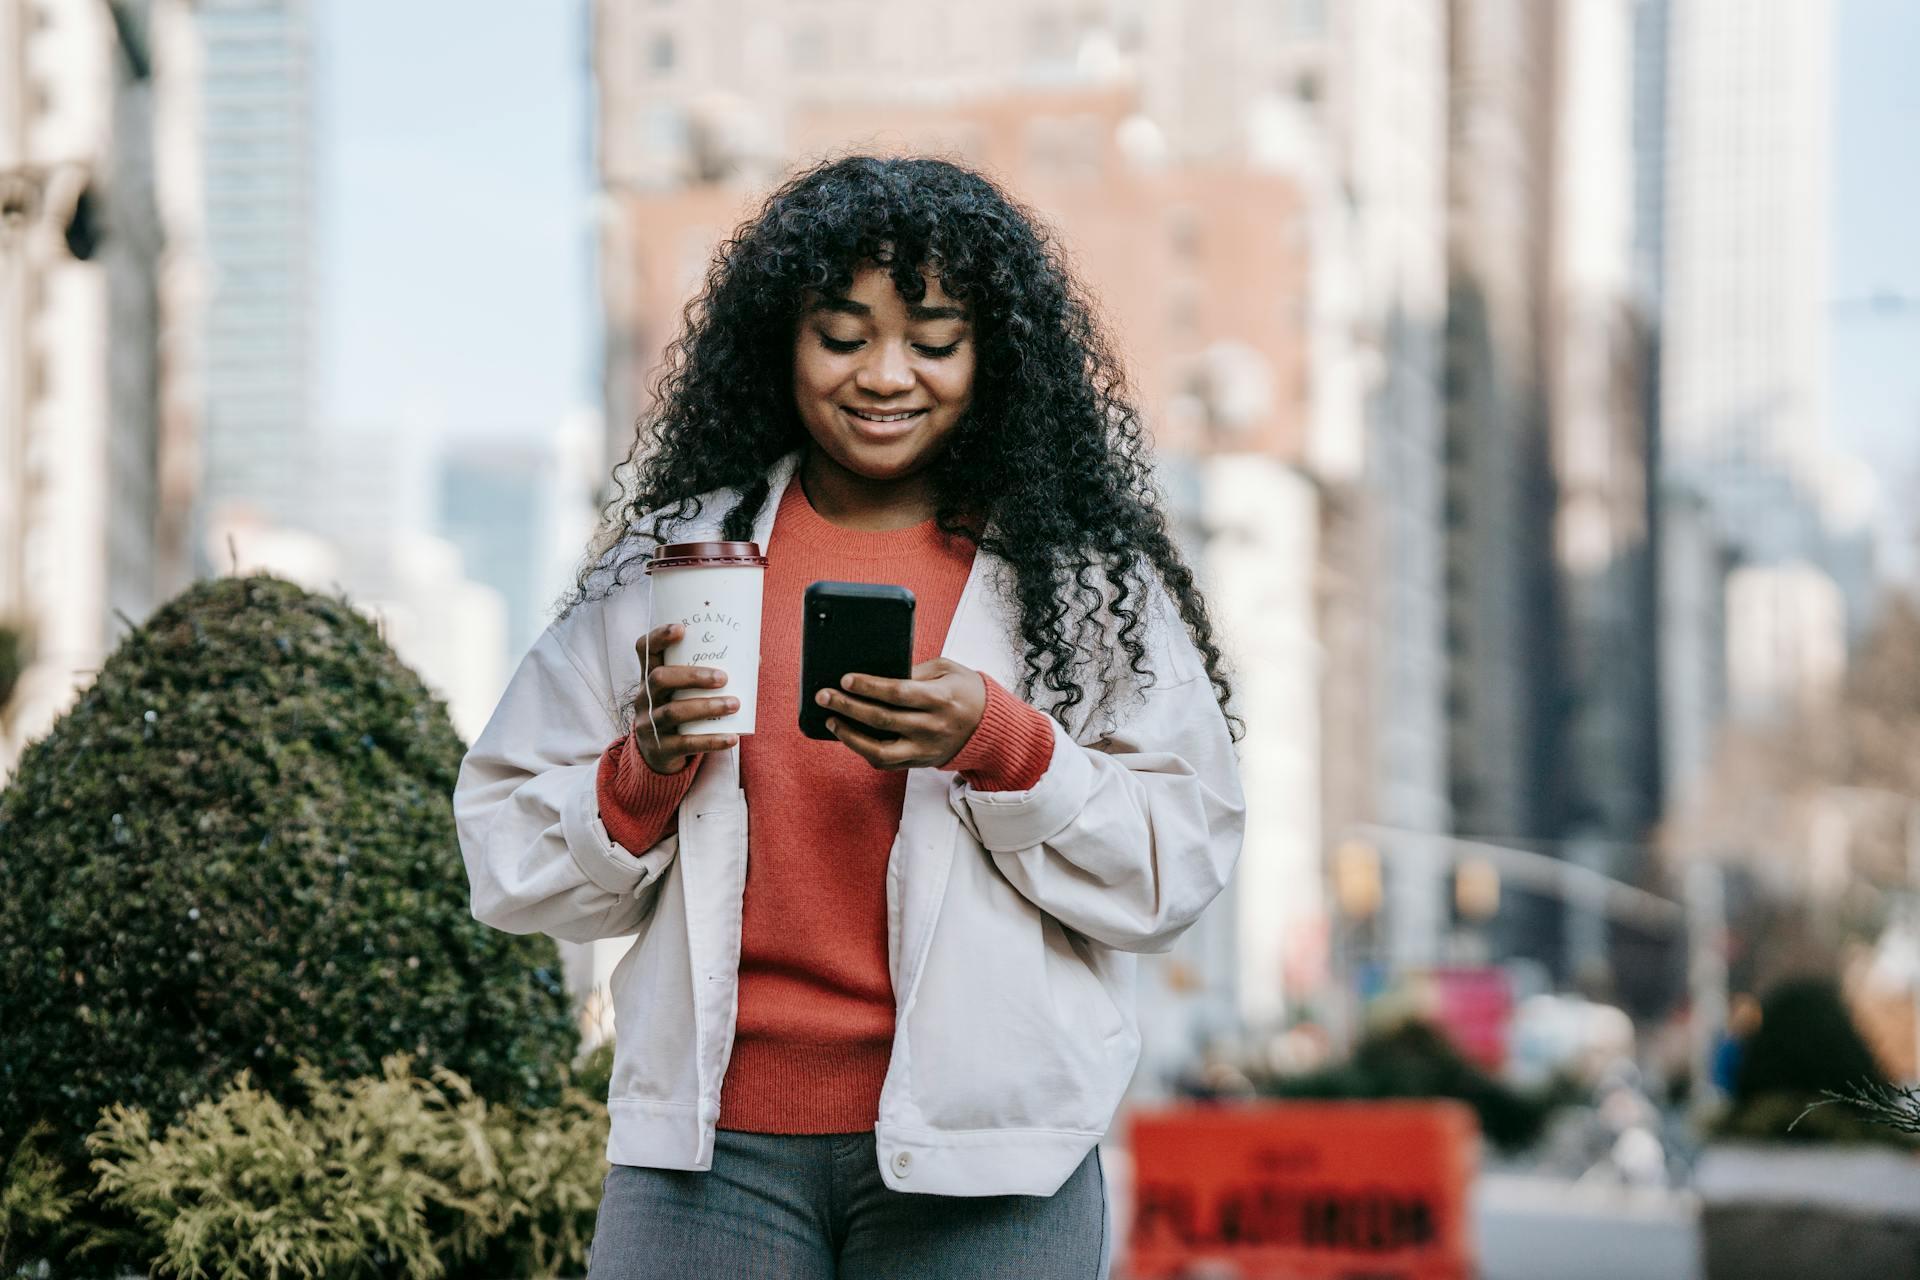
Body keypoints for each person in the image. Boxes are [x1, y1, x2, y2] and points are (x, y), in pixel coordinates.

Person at [456, 155, 1245, 1279]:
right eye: (842, 334)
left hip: (992, 1165)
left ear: (992, 357)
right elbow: (502, 849)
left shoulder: (1076, 580)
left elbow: (1178, 863)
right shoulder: (672, 561)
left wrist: (1003, 746)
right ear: (781, 342)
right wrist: (644, 772)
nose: (886, 374)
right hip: (708, 1160)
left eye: (933, 341)